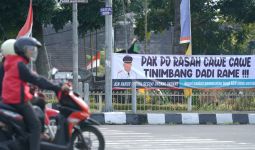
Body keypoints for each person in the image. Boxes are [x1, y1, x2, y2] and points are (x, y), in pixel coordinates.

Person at [0, 37, 66, 150]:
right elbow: (36, 79)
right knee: (36, 126)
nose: (32, 52)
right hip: (17, 100)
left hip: (10, 99)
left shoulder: (11, 62)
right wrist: (56, 87)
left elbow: (26, 80)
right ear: (22, 50)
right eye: (30, 49)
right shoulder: (19, 64)